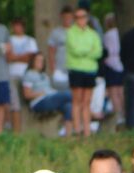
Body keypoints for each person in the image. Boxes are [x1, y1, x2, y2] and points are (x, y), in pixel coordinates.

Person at [66, 7, 102, 137]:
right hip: (76, 69)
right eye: (77, 17)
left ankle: (87, 130)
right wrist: (88, 51)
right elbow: (75, 50)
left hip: (90, 70)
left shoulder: (93, 34)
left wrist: (85, 52)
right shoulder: (70, 33)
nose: (80, 20)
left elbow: (98, 52)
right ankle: (77, 129)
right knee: (77, 100)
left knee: (87, 101)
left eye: (83, 17)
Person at [22, 52, 73, 135]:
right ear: (33, 61)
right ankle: (89, 112)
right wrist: (41, 93)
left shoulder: (44, 75)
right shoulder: (29, 75)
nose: (40, 63)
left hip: (50, 97)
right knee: (68, 95)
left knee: (68, 106)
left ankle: (68, 135)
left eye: (42, 61)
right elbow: (26, 94)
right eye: (38, 60)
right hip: (39, 101)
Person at [7, 17, 38, 132]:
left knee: (26, 101)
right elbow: (8, 57)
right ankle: (16, 130)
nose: (17, 28)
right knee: (15, 103)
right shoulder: (9, 40)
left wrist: (15, 57)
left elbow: (31, 58)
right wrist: (23, 57)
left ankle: (27, 128)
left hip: (26, 75)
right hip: (12, 74)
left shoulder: (30, 40)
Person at [103, 13, 124, 126]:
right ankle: (124, 113)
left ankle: (118, 115)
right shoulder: (120, 33)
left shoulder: (108, 35)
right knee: (121, 91)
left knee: (113, 92)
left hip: (111, 64)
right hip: (120, 64)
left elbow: (107, 51)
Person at [47, 6, 74, 91]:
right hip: (59, 68)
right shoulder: (55, 32)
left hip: (74, 67)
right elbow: (51, 51)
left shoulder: (76, 32)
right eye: (65, 17)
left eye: (69, 17)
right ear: (61, 17)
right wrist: (53, 68)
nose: (67, 19)